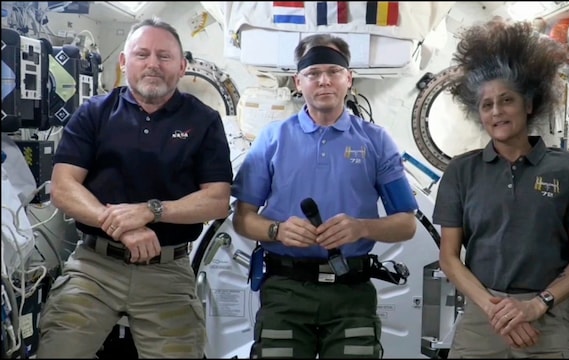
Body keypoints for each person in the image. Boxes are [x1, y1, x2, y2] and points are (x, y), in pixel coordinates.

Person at [36, 17, 233, 358]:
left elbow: (217, 201)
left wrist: (151, 210)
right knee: (58, 350)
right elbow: (63, 188)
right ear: (125, 62)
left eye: (164, 56)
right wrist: (122, 227)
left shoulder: (203, 121)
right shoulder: (94, 114)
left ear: (183, 66)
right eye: (142, 54)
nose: (153, 64)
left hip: (167, 273)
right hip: (94, 268)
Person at [231, 33, 418, 358]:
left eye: (333, 72)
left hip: (351, 293)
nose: (324, 81)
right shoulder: (272, 139)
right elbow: (242, 217)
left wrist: (363, 228)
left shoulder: (376, 141)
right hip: (286, 290)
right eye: (314, 73)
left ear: (349, 78)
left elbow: (406, 224)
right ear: (298, 81)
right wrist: (277, 230)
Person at [432, 19, 569, 358]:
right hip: (484, 314)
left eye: (506, 100)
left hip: (551, 315)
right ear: (478, 112)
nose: (497, 112)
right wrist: (495, 308)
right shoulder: (462, 171)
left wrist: (537, 306)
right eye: (486, 104)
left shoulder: (568, 169)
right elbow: (449, 258)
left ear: (528, 104)